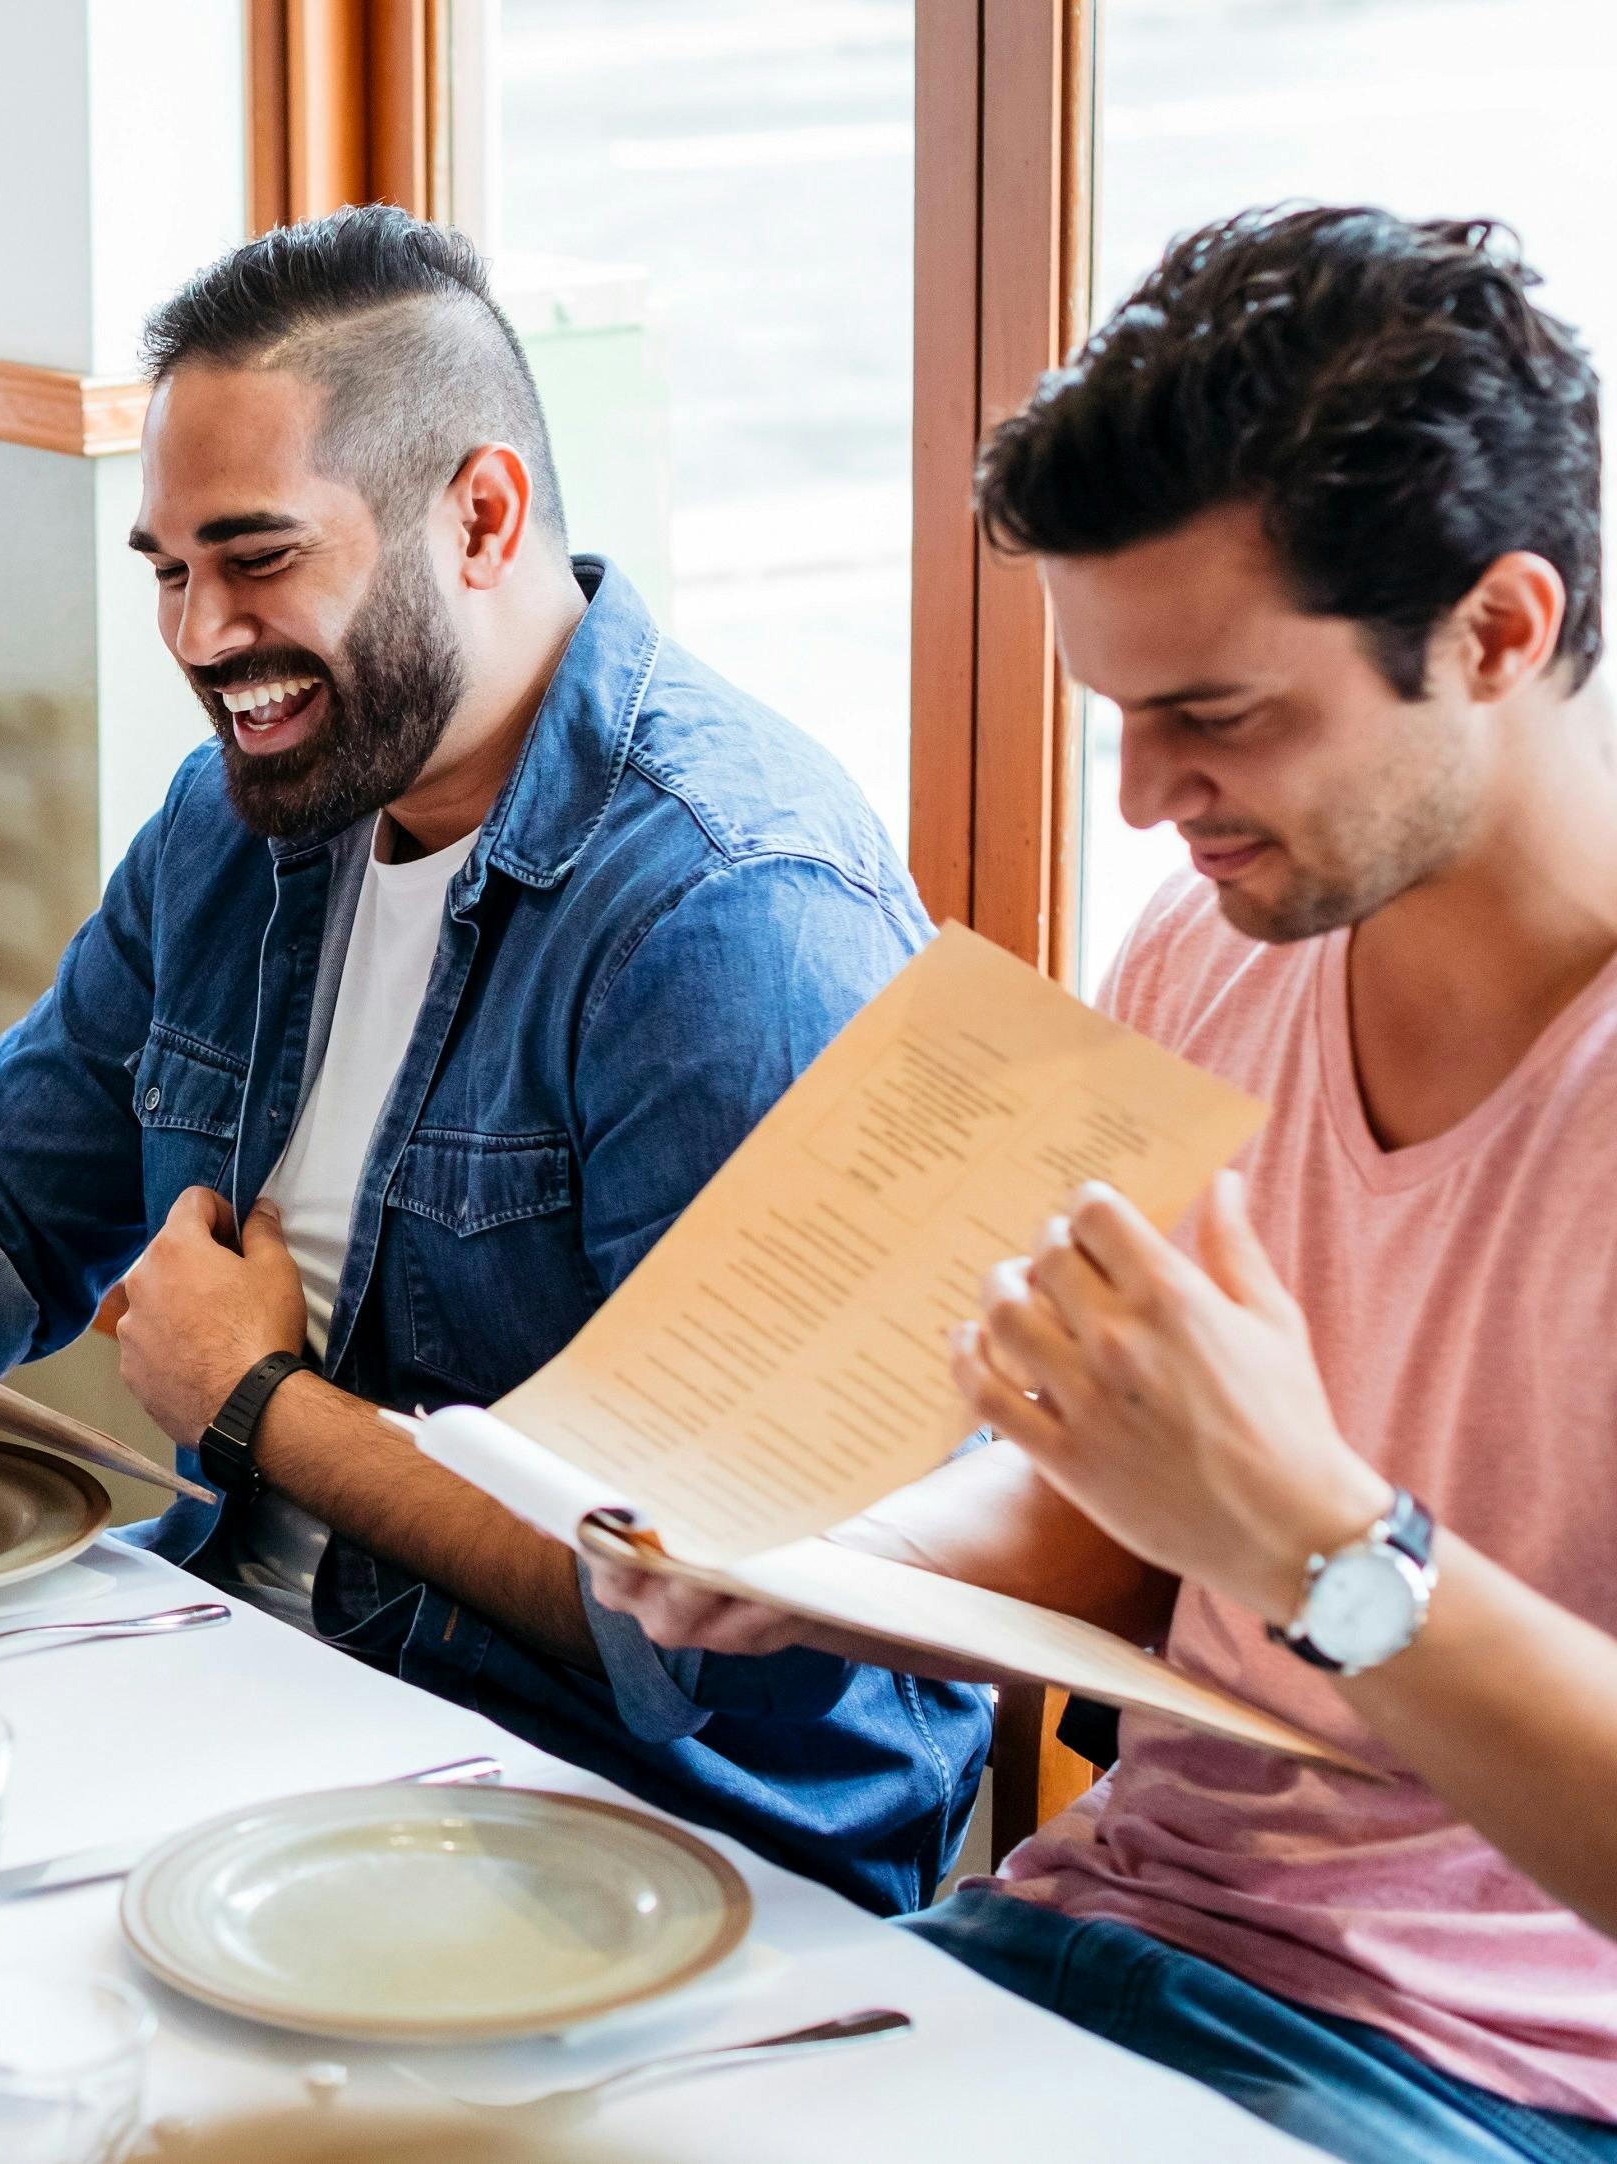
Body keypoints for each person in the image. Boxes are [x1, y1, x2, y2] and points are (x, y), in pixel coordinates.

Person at [0, 207, 985, 1913]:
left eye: (258, 558)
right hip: (245, 1671)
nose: (198, 634)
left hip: (625, 1814)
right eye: (167, 570)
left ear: (483, 516)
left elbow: (726, 1632)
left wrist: (258, 1405)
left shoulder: (724, 919)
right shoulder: (249, 820)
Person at [600, 205, 1617, 2164]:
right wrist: (812, 1561)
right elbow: (1123, 1529)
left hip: (1492, 2076)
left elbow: (1264, 1526)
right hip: (1095, 1933)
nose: (1144, 799)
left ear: (1498, 631)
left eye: (1213, 716)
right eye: (1118, 717)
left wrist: (1320, 1537)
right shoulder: (1213, 948)